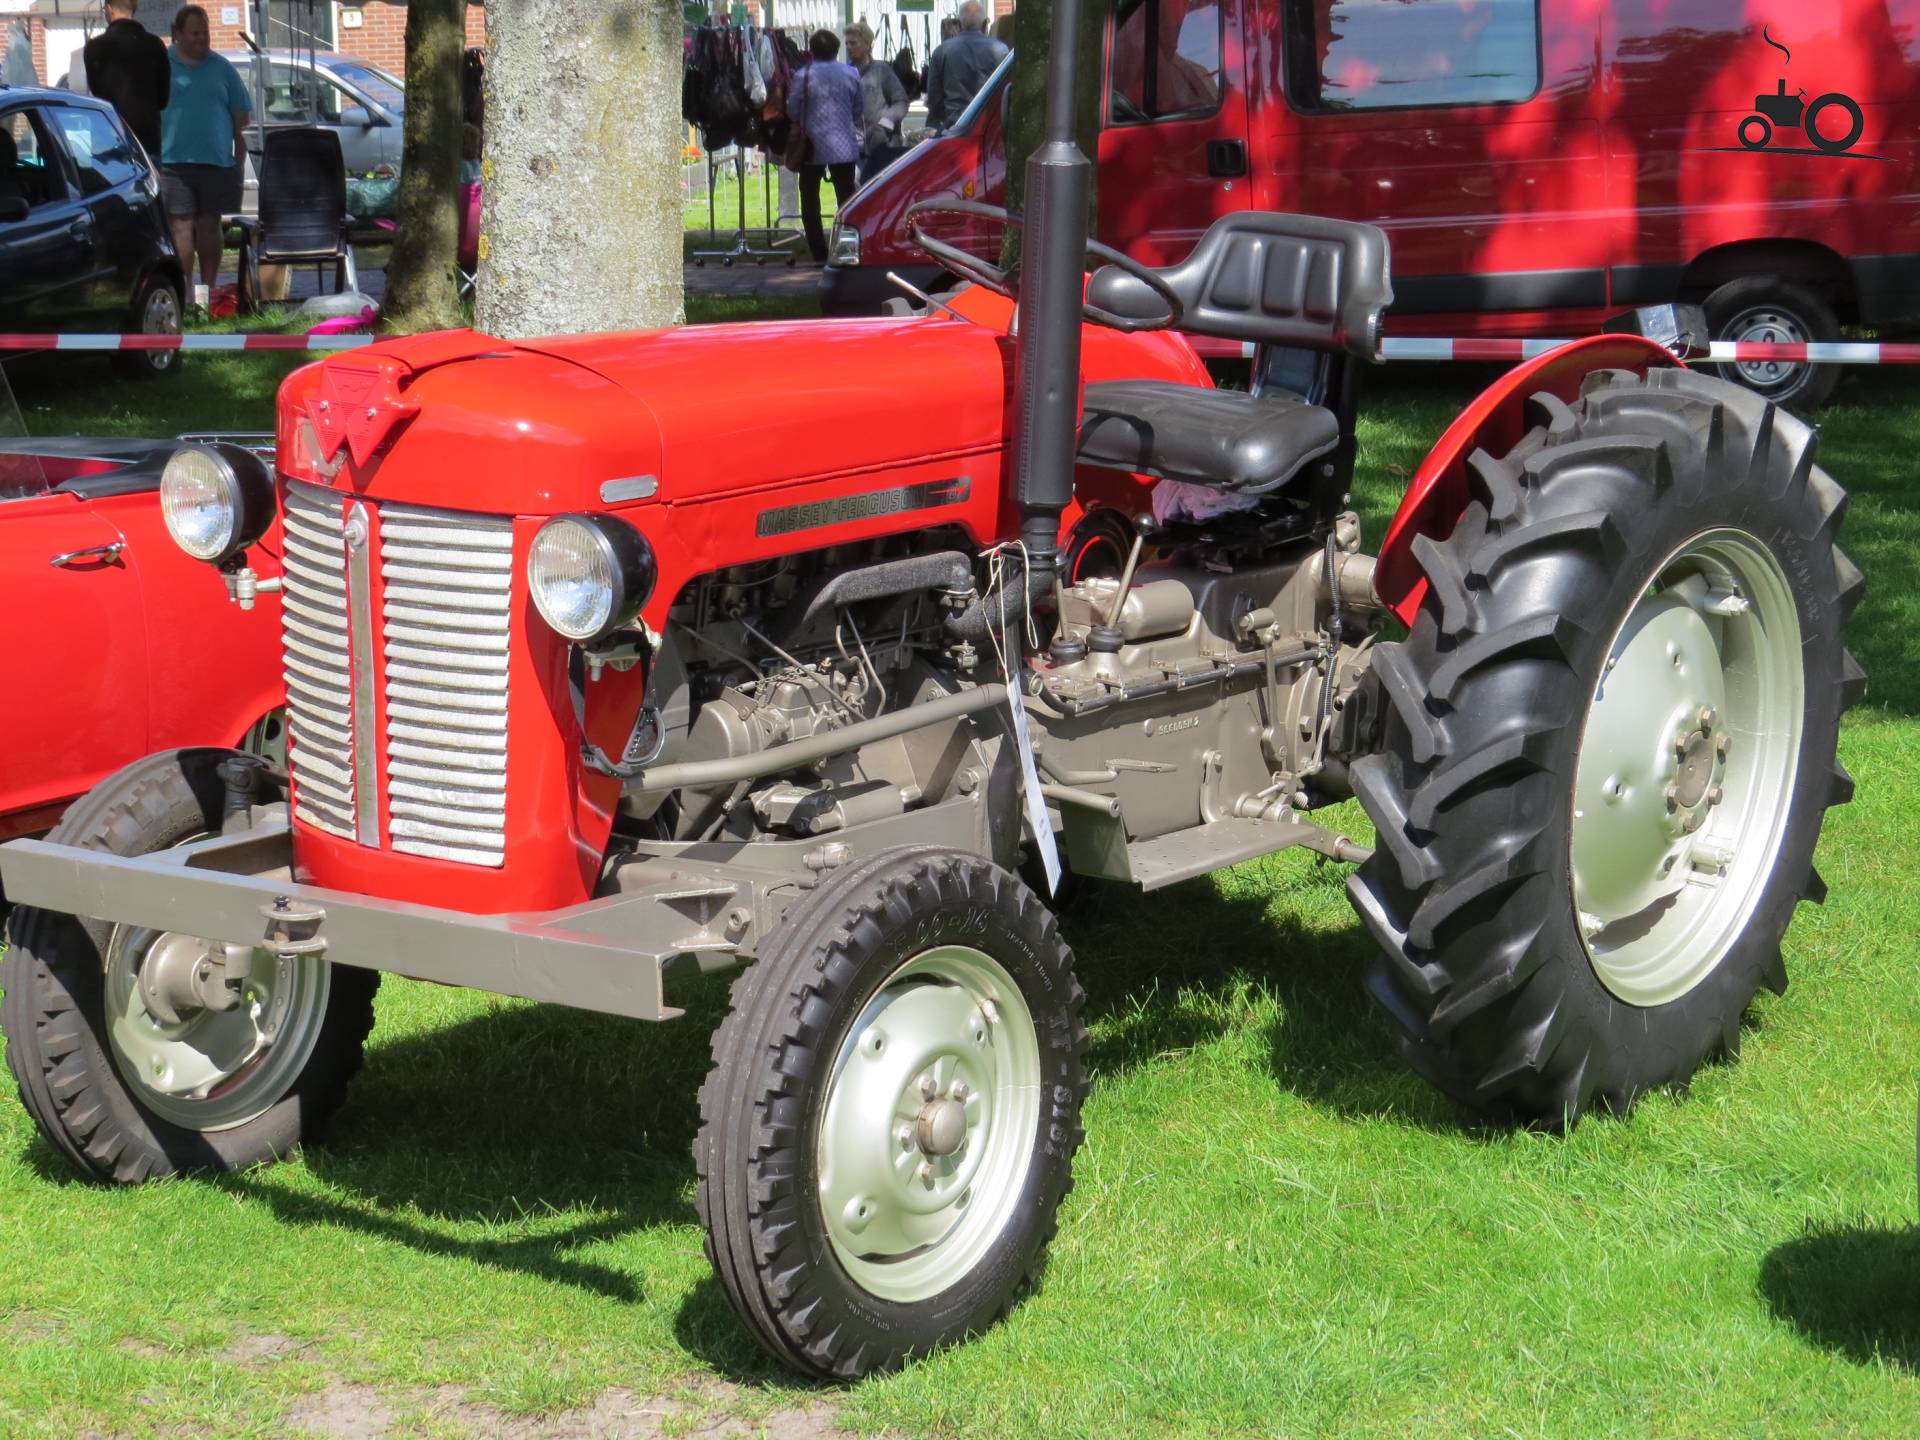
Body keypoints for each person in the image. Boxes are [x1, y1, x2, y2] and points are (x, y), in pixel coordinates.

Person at [159, 5, 250, 310]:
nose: (202, 39)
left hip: (216, 162)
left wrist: (238, 160)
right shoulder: (162, 66)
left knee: (209, 227)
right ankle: (184, 294)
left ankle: (207, 294)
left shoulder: (222, 68)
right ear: (178, 34)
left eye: (206, 33)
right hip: (173, 162)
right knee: (180, 228)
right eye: (195, 33)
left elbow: (241, 118)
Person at [787, 29, 862, 264]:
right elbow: (858, 108)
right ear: (837, 49)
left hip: (811, 146)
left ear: (811, 50)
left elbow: (792, 109)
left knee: (810, 197)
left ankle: (818, 251)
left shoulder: (804, 75)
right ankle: (848, 250)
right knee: (847, 198)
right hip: (844, 145)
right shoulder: (851, 73)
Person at [82, 1, 170, 160]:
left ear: (109, 9)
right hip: (146, 141)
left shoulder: (94, 47)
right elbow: (163, 100)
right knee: (147, 185)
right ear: (134, 9)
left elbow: (95, 93)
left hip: (106, 139)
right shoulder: (155, 45)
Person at [925, 1, 1006, 132]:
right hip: (989, 128)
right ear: (986, 23)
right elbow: (1006, 93)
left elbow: (934, 99)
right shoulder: (1001, 50)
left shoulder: (941, 51)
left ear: (958, 24)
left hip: (953, 126)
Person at [843, 20, 907, 184]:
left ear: (867, 44)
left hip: (881, 147)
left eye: (853, 43)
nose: (849, 47)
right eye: (847, 43)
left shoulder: (881, 70)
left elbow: (900, 101)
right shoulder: (845, 73)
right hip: (852, 149)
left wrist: (886, 121)